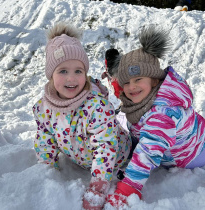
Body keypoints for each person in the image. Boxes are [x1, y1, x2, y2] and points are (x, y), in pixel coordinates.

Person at [106, 25, 205, 207]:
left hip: (195, 153)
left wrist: (128, 188)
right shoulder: (145, 97)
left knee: (142, 147)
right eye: (126, 82)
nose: (132, 87)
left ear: (155, 79)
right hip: (196, 131)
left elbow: (148, 152)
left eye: (138, 79)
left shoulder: (162, 114)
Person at [32, 22, 131, 210]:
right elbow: (45, 140)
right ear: (50, 75)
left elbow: (106, 146)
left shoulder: (96, 107)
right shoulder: (44, 108)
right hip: (81, 157)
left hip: (118, 157)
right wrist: (47, 171)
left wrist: (98, 188)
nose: (71, 78)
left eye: (78, 71)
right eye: (63, 71)